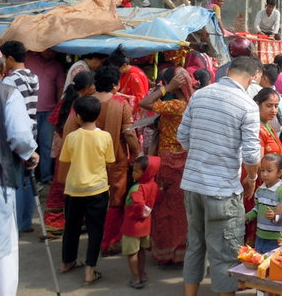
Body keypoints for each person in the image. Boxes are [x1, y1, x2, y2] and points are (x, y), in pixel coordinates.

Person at [177, 55, 262, 296]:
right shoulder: (247, 105)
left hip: (193, 186)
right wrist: (251, 178)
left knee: (195, 247)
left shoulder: (200, 95)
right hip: (222, 192)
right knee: (225, 254)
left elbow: (183, 139)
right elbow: (252, 155)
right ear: (254, 75)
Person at [62, 66, 141, 256]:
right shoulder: (120, 104)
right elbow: (129, 134)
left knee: (87, 208)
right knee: (115, 202)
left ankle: (87, 248)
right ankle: (109, 242)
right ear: (116, 84)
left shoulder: (82, 103)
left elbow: (68, 132)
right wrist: (137, 153)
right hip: (116, 161)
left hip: (86, 162)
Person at [138, 66, 194, 265]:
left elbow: (144, 102)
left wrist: (164, 88)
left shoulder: (177, 106)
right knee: (181, 211)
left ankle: (165, 251)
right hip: (185, 162)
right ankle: (180, 252)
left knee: (165, 209)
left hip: (169, 162)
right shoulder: (190, 104)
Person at [60, 96, 115, 286]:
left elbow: (65, 162)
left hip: (74, 189)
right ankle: (90, 271)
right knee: (95, 231)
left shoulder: (72, 137)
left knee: (71, 227)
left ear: (78, 116)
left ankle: (67, 262)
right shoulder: (105, 137)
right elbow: (109, 162)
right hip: (98, 190)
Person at [0, 70, 39, 296]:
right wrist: (30, 153)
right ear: (2, 70)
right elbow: (21, 137)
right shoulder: (7, 94)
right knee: (3, 253)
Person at [44, 71, 95, 237]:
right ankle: (58, 222)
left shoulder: (66, 100)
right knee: (71, 186)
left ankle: (55, 222)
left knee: (60, 185)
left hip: (63, 147)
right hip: (76, 149)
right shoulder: (83, 104)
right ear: (87, 88)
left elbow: (54, 122)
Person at [2, 40, 39, 234]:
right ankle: (26, 221)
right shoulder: (33, 76)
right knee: (28, 177)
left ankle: (17, 222)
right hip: (31, 128)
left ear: (9, 58)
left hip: (18, 130)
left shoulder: (9, 82)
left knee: (15, 177)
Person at [25, 49, 65, 184]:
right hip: (28, 110)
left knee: (47, 145)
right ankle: (28, 176)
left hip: (49, 111)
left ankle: (45, 177)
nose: (50, 53)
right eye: (48, 50)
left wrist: (59, 110)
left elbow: (60, 88)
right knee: (29, 143)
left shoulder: (57, 66)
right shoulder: (28, 57)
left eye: (54, 51)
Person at [122, 155, 161, 289]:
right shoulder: (154, 185)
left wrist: (139, 214)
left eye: (136, 171)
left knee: (132, 253)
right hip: (145, 226)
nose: (133, 173)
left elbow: (138, 204)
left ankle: (136, 279)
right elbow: (158, 199)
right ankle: (142, 273)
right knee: (141, 251)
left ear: (147, 173)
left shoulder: (137, 189)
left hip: (132, 226)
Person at [245, 153, 282, 254]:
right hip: (260, 236)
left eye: (269, 171)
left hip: (277, 239)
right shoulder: (260, 190)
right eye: (262, 170)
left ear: (280, 172)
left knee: (272, 265)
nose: (265, 174)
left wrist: (275, 216)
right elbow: (257, 209)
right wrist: (247, 217)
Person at [108, 44, 150, 121]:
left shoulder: (134, 76)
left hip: (134, 116)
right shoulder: (125, 73)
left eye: (116, 68)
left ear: (124, 65)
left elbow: (140, 100)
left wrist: (119, 95)